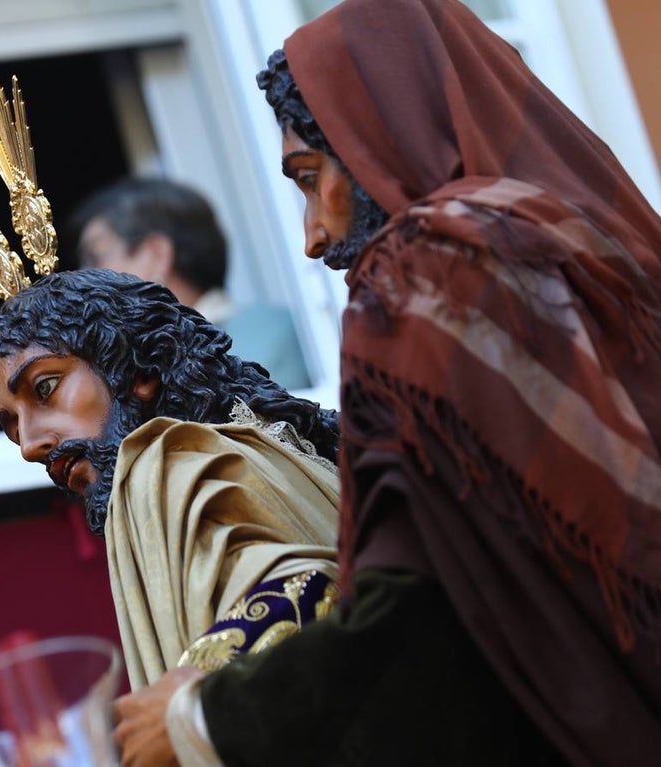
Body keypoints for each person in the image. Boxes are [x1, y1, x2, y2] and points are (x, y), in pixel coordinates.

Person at [112, 0, 661, 765]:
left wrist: (201, 716)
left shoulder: (421, 275)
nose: (310, 236)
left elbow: (423, 610)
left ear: (375, 143)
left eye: (311, 178)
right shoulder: (591, 242)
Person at [0, 267, 341, 689]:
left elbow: (314, 593)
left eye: (46, 388)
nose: (29, 446)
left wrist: (183, 706)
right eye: (15, 429)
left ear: (140, 371)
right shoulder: (269, 449)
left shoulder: (164, 463)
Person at [69, 176, 311, 389]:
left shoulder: (273, 333)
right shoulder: (126, 367)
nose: (83, 276)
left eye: (95, 256)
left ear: (157, 254)